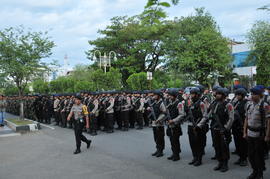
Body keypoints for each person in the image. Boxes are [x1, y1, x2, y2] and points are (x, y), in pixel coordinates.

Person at [244, 86, 270, 179]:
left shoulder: (264, 105)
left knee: (258, 155)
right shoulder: (249, 104)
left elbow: (268, 121)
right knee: (250, 155)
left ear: (259, 95)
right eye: (251, 94)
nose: (252, 96)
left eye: (254, 94)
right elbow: (246, 119)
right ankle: (254, 171)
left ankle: (260, 173)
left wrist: (267, 135)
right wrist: (244, 132)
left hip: (259, 134)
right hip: (250, 133)